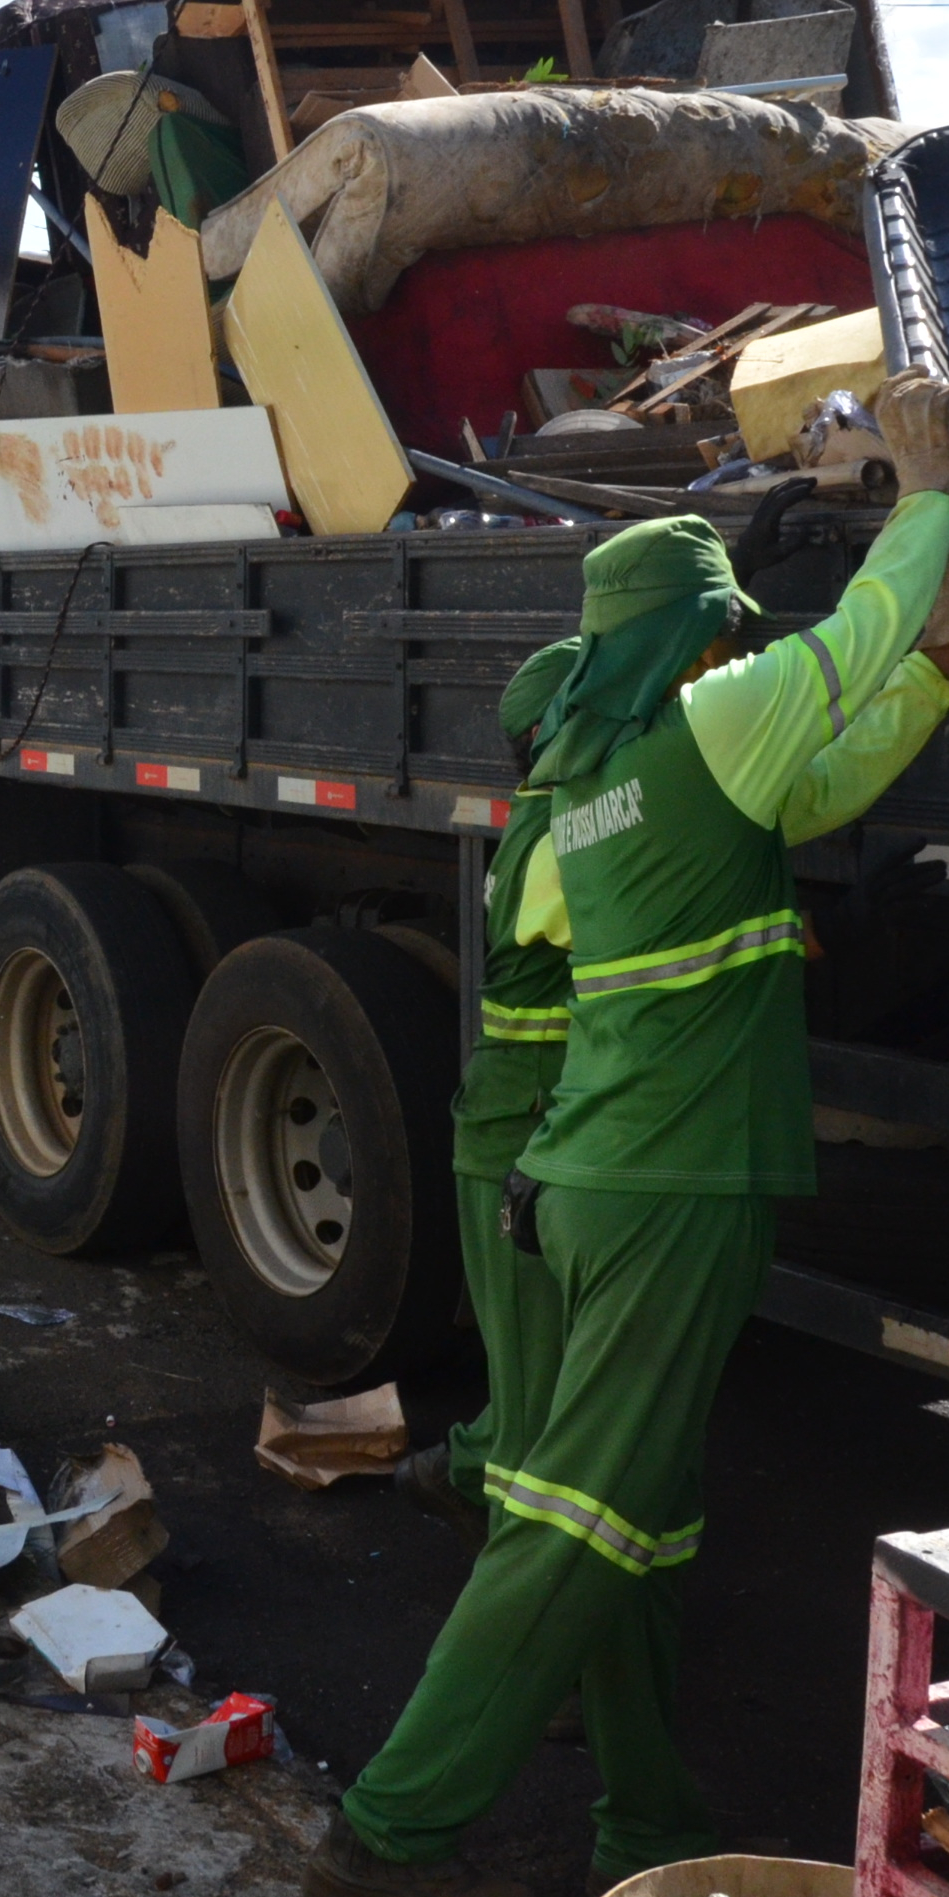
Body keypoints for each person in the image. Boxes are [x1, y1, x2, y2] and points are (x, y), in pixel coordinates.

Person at [305, 374, 949, 1897]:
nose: (740, 646)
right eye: (725, 626)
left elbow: (846, 757)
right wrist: (929, 492)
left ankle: (650, 1810)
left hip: (609, 1178)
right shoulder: (711, 724)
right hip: (673, 1184)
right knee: (576, 1520)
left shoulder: (600, 794)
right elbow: (855, 643)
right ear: (688, 638)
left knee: (634, 1516)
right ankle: (390, 1834)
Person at [405, 640, 581, 1541]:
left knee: (532, 1378)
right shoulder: (563, 839)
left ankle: (471, 1467)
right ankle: (519, 1602)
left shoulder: (554, 812)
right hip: (519, 1135)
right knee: (536, 1406)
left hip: (520, 1125)